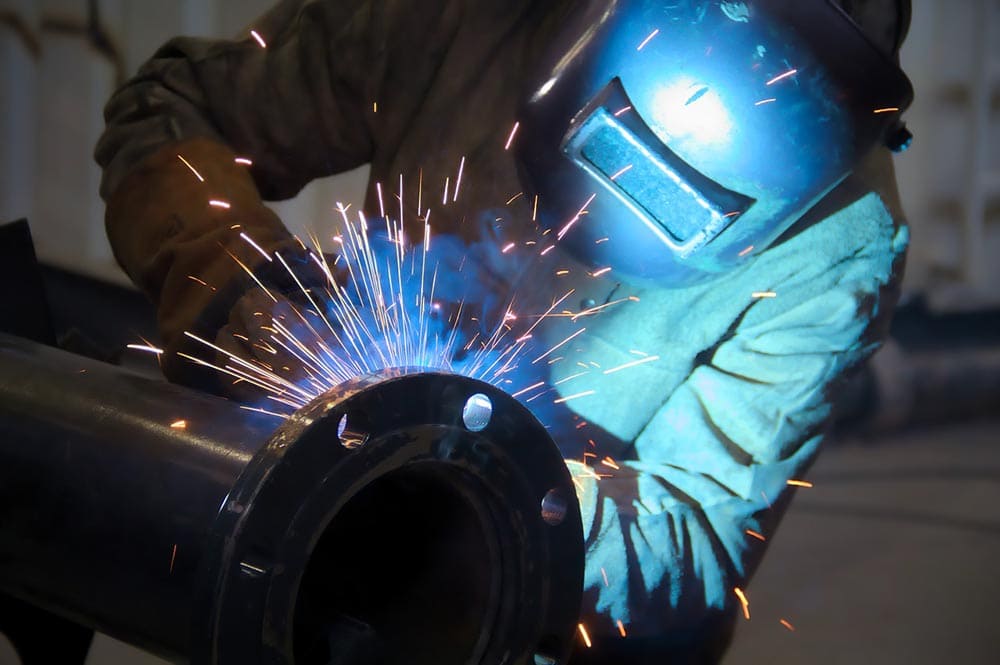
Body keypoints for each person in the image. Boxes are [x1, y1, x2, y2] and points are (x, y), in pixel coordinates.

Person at [95, 0, 914, 662]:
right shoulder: (460, 15)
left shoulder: (843, 240)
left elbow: (699, 528)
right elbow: (168, 112)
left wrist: (495, 490)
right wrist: (249, 298)